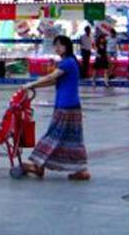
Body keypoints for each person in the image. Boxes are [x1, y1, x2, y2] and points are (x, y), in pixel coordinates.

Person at [21, 35, 90, 181]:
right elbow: (53, 81)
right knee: (73, 139)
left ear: (67, 47)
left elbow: (51, 77)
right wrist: (34, 85)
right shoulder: (68, 62)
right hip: (70, 106)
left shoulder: (68, 63)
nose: (57, 48)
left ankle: (38, 165)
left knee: (52, 135)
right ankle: (81, 170)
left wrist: (31, 84)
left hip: (66, 106)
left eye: (60, 45)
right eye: (55, 45)